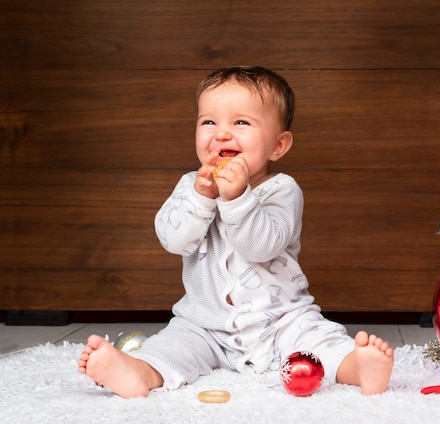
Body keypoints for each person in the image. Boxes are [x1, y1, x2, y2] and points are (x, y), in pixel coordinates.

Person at [77, 66, 394, 398]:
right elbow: (174, 241)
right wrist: (201, 199)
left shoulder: (283, 190)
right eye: (208, 122)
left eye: (241, 122)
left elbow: (261, 247)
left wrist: (237, 198)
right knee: (170, 346)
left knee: (319, 341)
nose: (222, 134)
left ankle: (358, 368)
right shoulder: (191, 185)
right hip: (204, 325)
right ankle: (137, 373)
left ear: (278, 145)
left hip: (281, 320)